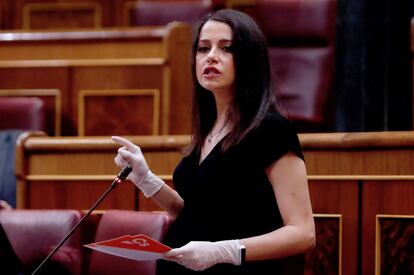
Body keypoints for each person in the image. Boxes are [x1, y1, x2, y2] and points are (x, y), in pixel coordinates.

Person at [112, 9, 315, 274]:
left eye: (226, 48)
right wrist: (146, 180)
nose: (211, 57)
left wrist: (224, 251)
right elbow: (201, 216)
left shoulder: (271, 130)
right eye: (203, 48)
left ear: (249, 59)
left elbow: (302, 233)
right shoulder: (206, 132)